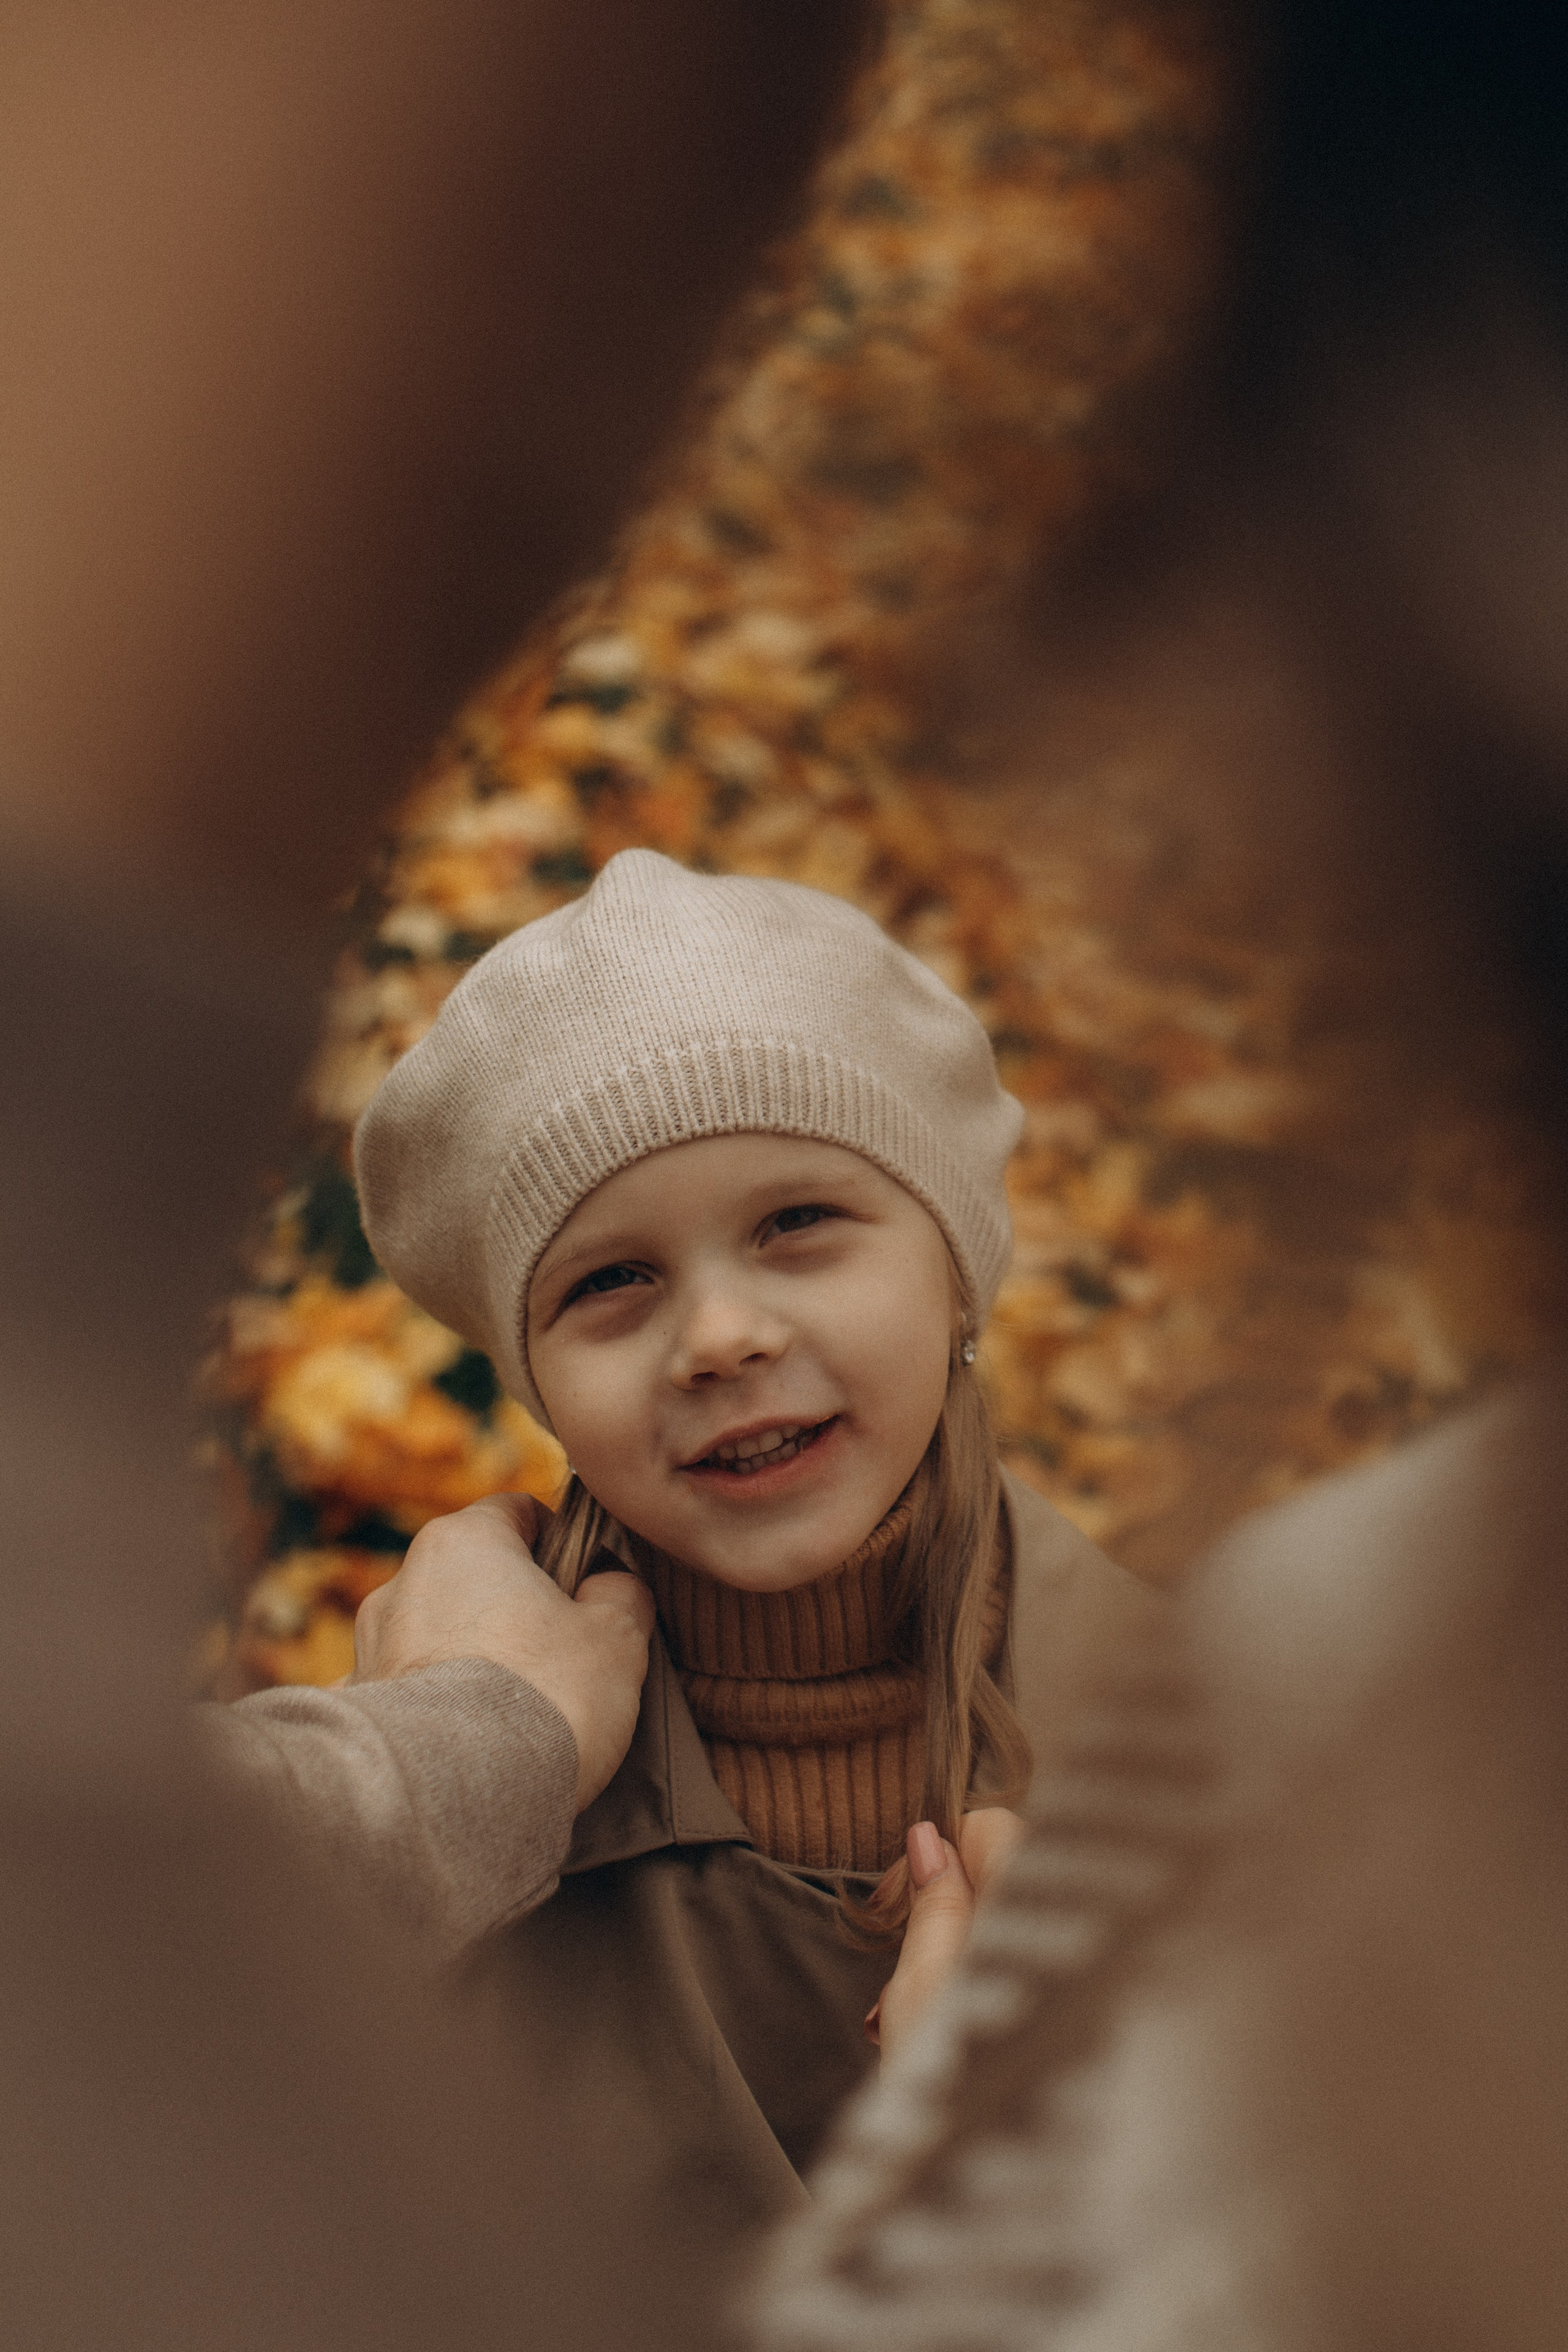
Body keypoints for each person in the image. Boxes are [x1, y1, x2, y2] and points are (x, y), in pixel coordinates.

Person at [347, 844, 1142, 2304]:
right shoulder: (440, 1796)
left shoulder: (1188, 1742)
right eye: (609, 1282)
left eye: (797, 1223)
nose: (718, 1334)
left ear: (954, 1270)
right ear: (539, 1387)